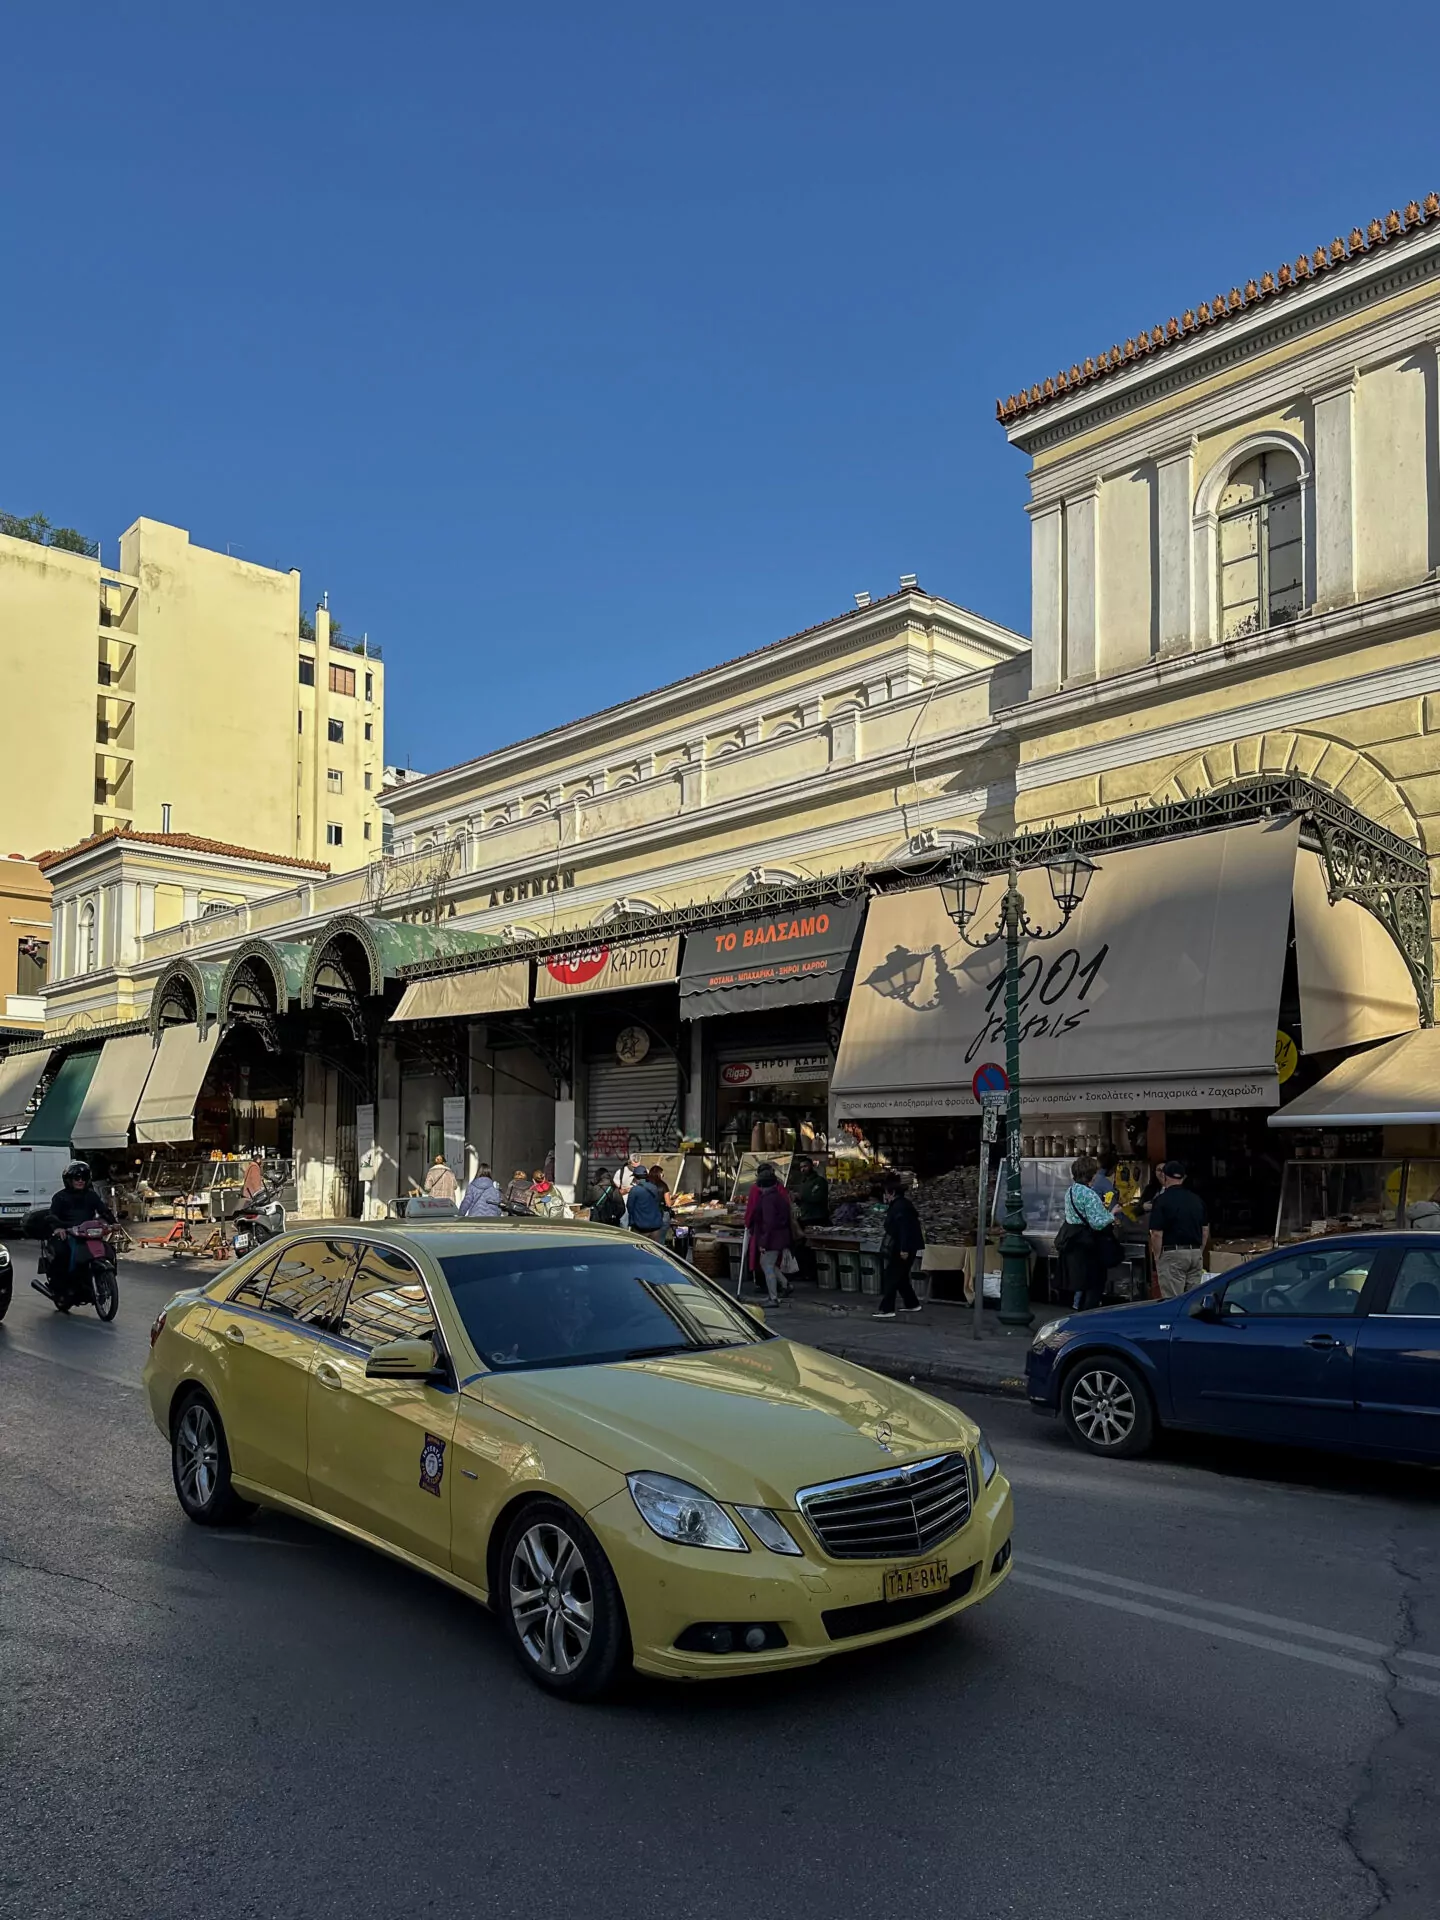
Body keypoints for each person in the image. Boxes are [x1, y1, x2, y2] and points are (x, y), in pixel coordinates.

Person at [45, 1161, 116, 1293]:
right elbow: (52, 1215)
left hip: (88, 1233)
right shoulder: (60, 1197)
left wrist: (114, 1222)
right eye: (77, 1178)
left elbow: (103, 1210)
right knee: (62, 1253)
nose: (80, 1181)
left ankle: (102, 1280)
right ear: (69, 1180)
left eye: (84, 1178)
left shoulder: (91, 1195)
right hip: (68, 1233)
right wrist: (58, 1228)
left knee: (109, 1249)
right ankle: (57, 1287)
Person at [1060, 1155, 1115, 1312]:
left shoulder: (1071, 1191)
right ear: (1091, 1174)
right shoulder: (1089, 1194)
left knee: (1082, 1281)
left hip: (1075, 1241)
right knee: (1095, 1283)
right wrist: (1112, 1214)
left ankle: (1079, 1308)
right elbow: (1097, 1223)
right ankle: (1089, 1313)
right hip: (1090, 1243)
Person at [1148, 1161, 1210, 1299]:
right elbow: (1205, 1230)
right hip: (1195, 1253)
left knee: (1173, 1301)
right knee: (1193, 1301)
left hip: (1172, 1254)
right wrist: (1199, 1251)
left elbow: (1156, 1233)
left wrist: (1157, 1257)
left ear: (1164, 1177)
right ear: (1183, 1177)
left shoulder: (1161, 1200)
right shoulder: (1197, 1200)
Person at [872, 1173, 924, 1318]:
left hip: (903, 1247)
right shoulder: (901, 1205)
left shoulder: (900, 1207)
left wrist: (904, 1249)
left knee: (891, 1276)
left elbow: (904, 1229)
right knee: (900, 1276)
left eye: (886, 1193)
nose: (885, 1196)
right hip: (904, 1245)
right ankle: (912, 1303)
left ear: (892, 1193)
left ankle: (887, 1309)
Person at [743, 1161, 793, 1305]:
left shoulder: (768, 1200)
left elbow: (769, 1223)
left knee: (767, 1265)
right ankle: (785, 1284)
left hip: (772, 1238)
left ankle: (773, 1297)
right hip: (780, 1236)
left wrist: (763, 1242)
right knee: (768, 1263)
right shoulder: (778, 1196)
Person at [791, 1155, 829, 1287]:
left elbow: (817, 1198)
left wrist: (801, 1196)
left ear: (811, 1166)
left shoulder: (819, 1181)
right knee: (801, 1247)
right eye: (801, 1167)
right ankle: (804, 1272)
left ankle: (811, 1273)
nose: (803, 1169)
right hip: (805, 1217)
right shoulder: (803, 1182)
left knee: (810, 1247)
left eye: (805, 1166)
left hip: (816, 1218)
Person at [624, 1166, 666, 1241]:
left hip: (640, 1228)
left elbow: (629, 1207)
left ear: (636, 1177)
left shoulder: (634, 1190)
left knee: (638, 1247)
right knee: (654, 1248)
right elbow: (656, 1202)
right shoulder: (654, 1187)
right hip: (655, 1226)